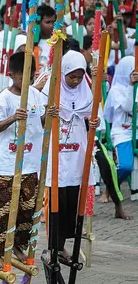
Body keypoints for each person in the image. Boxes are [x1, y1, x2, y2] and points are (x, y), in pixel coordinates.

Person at [0, 51, 46, 270]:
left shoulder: (36, 95)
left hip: (29, 163)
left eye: (30, 76)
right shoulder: (4, 97)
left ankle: (19, 245)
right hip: (6, 165)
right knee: (2, 210)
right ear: (12, 75)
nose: (27, 81)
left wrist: (49, 113)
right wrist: (14, 117)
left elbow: (40, 119)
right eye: (22, 76)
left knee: (28, 209)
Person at [45, 51, 97, 261]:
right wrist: (49, 114)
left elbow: (94, 114)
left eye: (78, 76)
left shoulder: (87, 91)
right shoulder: (51, 88)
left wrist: (94, 122)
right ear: (63, 72)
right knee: (57, 202)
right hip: (57, 154)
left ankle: (64, 245)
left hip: (76, 155)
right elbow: (41, 117)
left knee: (73, 202)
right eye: (71, 77)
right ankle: (53, 247)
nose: (75, 81)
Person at [103, 55, 138, 218]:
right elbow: (128, 107)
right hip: (123, 133)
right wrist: (131, 86)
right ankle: (110, 188)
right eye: (132, 72)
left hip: (136, 131)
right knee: (125, 166)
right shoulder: (116, 89)